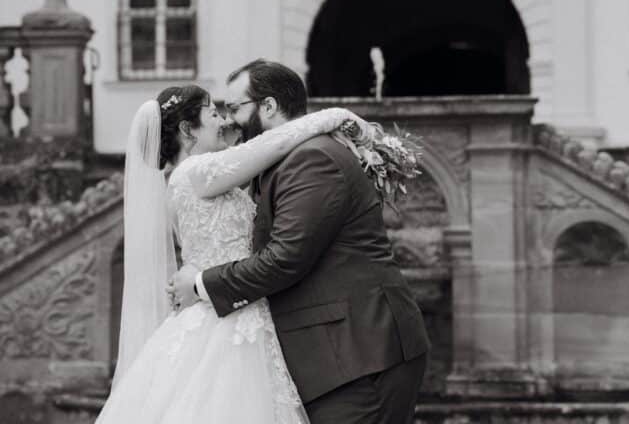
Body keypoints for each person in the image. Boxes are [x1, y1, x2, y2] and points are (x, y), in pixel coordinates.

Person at [169, 59, 430, 423]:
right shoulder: (281, 161)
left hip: (360, 354)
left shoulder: (311, 159)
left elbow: (285, 258)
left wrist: (200, 284)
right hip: (332, 358)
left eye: (234, 108)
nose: (227, 121)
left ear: (269, 107)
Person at [96, 84, 364, 423]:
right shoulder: (197, 171)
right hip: (229, 317)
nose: (222, 120)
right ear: (185, 129)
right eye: (212, 113)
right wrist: (335, 116)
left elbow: (199, 249)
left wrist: (193, 279)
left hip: (221, 300)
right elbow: (273, 143)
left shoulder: (178, 182)